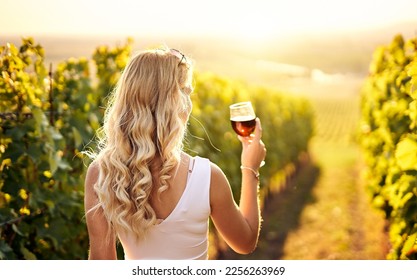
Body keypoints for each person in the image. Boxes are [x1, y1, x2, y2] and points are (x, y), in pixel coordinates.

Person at [84, 47, 267, 260]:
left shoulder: (101, 174)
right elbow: (245, 242)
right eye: (185, 92)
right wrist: (250, 168)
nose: (189, 102)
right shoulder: (206, 177)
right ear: (172, 103)